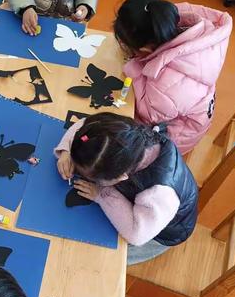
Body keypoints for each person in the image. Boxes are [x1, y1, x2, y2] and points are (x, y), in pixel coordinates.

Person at [55, 112, 198, 265]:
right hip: (139, 195)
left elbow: (137, 234)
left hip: (159, 232)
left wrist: (102, 194)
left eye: (93, 178)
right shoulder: (121, 132)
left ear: (121, 178)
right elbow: (85, 126)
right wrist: (67, 152)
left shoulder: (160, 195)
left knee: (99, 260)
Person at [114, 0, 232, 154]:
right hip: (186, 113)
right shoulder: (170, 19)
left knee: (113, 137)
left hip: (176, 138)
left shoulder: (169, 83)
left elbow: (147, 116)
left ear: (145, 49)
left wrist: (133, 69)